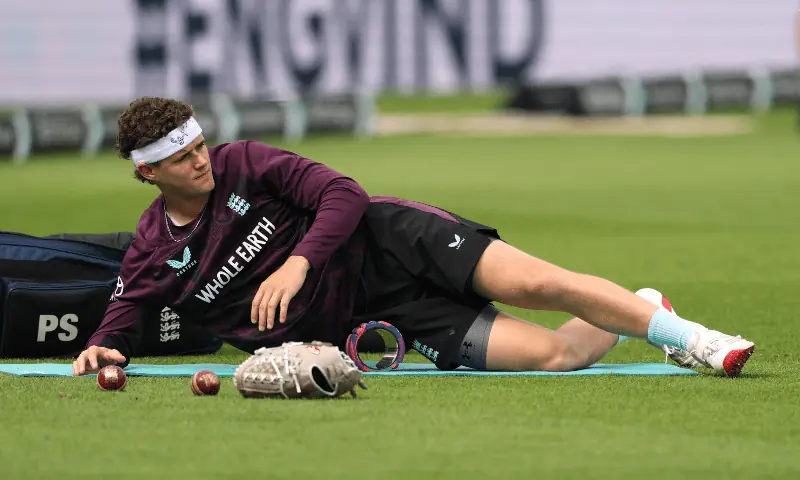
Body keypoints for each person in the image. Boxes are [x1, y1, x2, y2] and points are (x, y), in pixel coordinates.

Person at [72, 96, 755, 377]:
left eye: (199, 144)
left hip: (393, 239)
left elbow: (344, 194)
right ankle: (645, 308)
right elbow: (127, 306)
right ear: (149, 172)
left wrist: (298, 262)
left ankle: (697, 339)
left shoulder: (245, 161)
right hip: (382, 316)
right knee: (553, 356)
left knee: (538, 283)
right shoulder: (155, 248)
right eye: (183, 157)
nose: (201, 161)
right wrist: (102, 345)